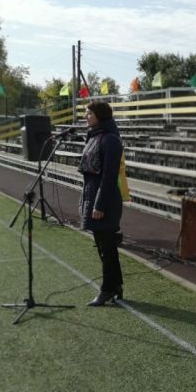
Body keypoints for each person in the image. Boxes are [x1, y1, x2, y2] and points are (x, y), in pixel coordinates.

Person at [79, 101, 125, 307]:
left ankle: (107, 289)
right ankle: (116, 286)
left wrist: (99, 206)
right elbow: (89, 176)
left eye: (89, 113)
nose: (85, 116)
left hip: (105, 200)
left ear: (100, 115)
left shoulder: (110, 140)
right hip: (93, 195)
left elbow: (108, 177)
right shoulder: (94, 136)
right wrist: (85, 201)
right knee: (104, 247)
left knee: (106, 248)